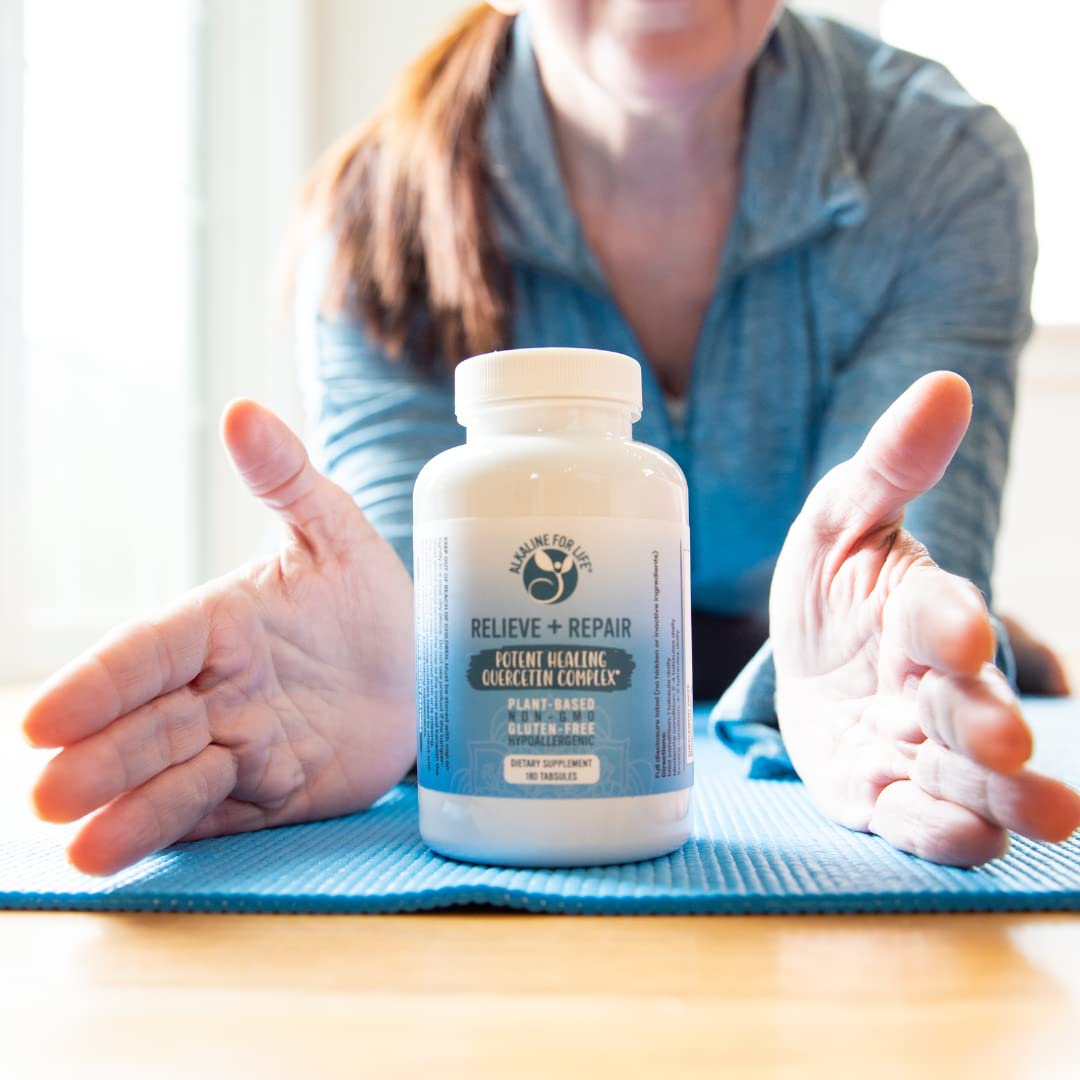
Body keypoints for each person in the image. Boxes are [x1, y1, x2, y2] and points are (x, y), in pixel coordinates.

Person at [22, 1, 1079, 875]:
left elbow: (900, 558)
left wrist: (871, 669)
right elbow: (419, 600)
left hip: (809, 676)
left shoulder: (944, 166)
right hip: (533, 687)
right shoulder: (377, 215)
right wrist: (392, 681)